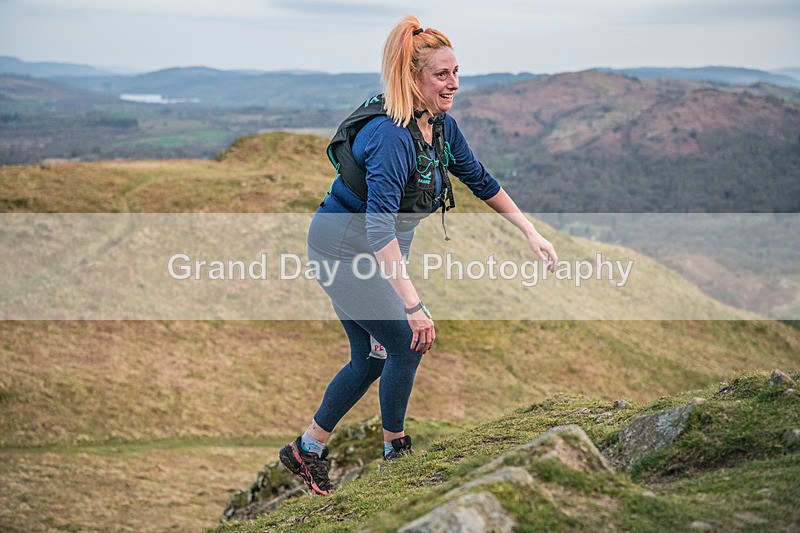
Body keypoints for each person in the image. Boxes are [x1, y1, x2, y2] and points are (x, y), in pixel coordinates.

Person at [279, 15, 558, 495]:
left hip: (370, 249)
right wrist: (412, 305)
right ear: (413, 79)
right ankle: (396, 453)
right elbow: (377, 224)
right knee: (408, 339)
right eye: (441, 75)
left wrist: (530, 231)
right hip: (343, 251)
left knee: (371, 356)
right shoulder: (390, 137)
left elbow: (480, 179)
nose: (453, 84)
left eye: (456, 72)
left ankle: (307, 450)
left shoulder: (439, 126)